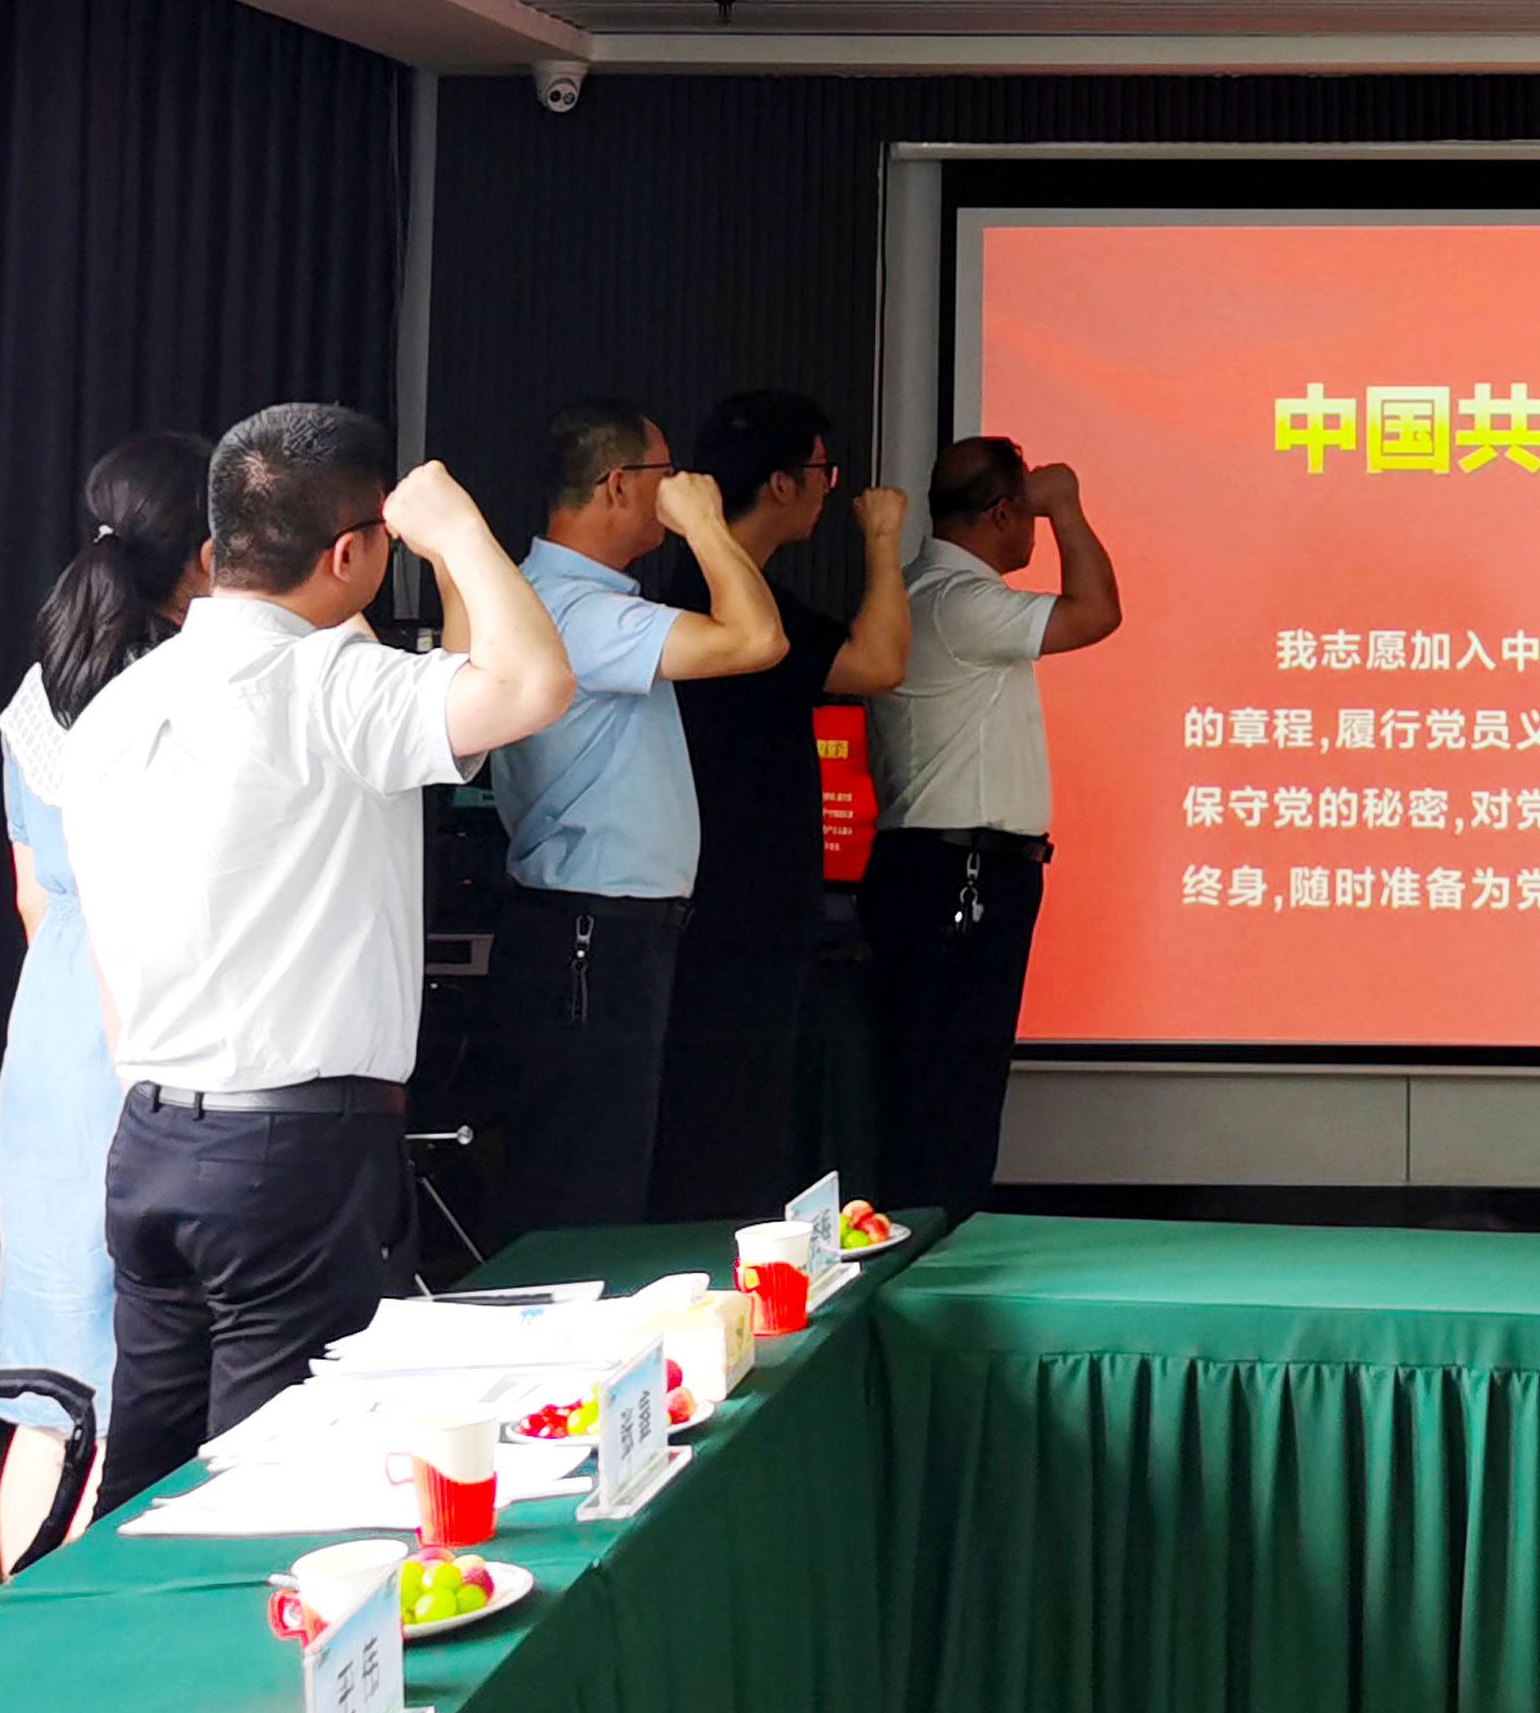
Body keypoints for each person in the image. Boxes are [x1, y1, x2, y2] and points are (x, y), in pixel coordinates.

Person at [60, 406, 575, 1510]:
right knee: (277, 1488)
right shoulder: (332, 688)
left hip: (151, 1134)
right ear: (350, 553)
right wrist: (459, 531)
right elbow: (535, 684)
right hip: (293, 1150)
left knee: (144, 1486)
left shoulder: (120, 701)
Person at [453, 399, 785, 1239]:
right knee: (584, 1189)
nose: (678, 488)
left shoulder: (552, 598)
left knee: (590, 1176)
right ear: (616, 485)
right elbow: (757, 641)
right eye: (664, 475)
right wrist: (707, 526)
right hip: (592, 935)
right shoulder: (577, 611)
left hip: (594, 931)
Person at [0, 432, 212, 1566]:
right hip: (150, 1027)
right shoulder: (189, 690)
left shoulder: (41, 690)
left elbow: (34, 897)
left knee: (51, 1389)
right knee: (142, 1384)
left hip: (50, 1036)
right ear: (211, 555)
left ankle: (16, 1632)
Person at [644, 391, 910, 1226]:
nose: (833, 487)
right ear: (782, 483)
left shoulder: (729, 587)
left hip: (741, 896)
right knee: (730, 1119)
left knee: (743, 1112)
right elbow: (877, 663)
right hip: (736, 903)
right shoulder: (724, 596)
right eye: (823, 470)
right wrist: (882, 540)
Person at [864, 436, 1122, 1217]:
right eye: (1029, 514)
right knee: (952, 1086)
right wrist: (1067, 503)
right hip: (960, 875)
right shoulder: (958, 600)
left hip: (945, 872)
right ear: (1004, 512)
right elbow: (1096, 611)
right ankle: (935, 1239)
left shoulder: (922, 591)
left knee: (945, 1082)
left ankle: (931, 1233)